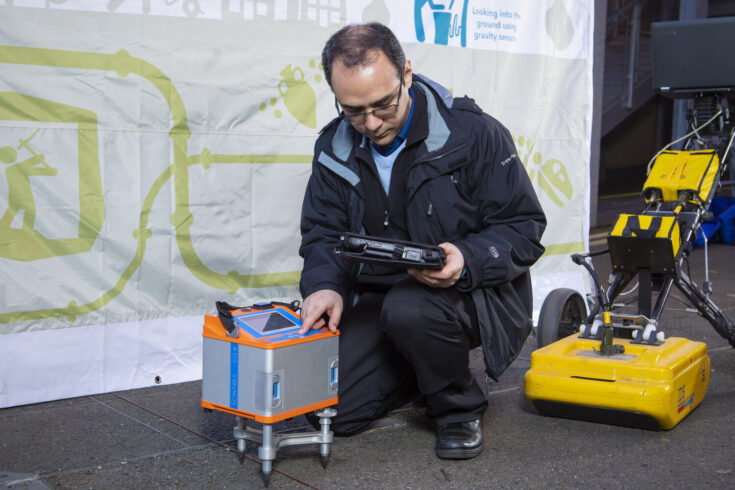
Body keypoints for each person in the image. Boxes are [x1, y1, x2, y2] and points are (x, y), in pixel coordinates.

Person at [298, 22, 546, 460]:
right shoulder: (332, 148)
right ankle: (422, 366)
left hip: (469, 295)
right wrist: (325, 286)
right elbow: (323, 232)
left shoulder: (474, 134)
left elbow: (524, 227)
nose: (371, 124)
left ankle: (458, 409)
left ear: (407, 73)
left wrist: (466, 258)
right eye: (353, 110)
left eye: (383, 105)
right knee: (332, 414)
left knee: (409, 308)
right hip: (380, 298)